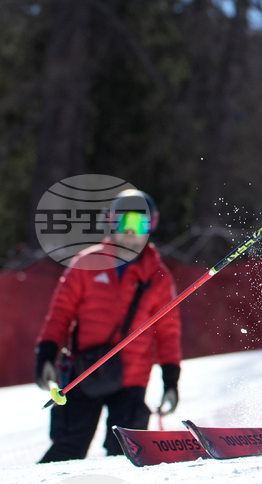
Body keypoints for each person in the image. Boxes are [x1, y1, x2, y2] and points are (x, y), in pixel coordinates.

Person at [34, 189, 182, 463]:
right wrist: (46, 355)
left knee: (126, 455)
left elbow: (168, 333)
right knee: (68, 449)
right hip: (82, 373)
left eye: (139, 224)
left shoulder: (159, 277)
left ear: (153, 225)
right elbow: (59, 314)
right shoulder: (86, 263)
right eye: (122, 222)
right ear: (110, 222)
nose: (129, 231)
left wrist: (170, 382)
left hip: (131, 380)